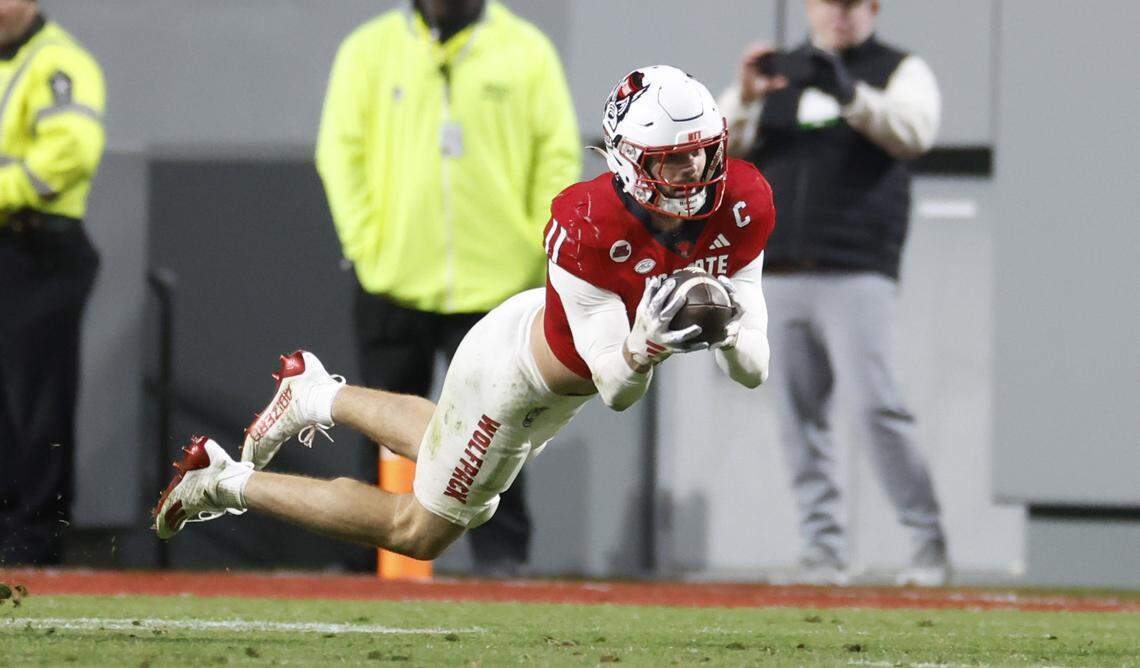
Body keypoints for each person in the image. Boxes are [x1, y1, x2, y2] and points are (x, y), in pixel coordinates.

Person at [153, 66, 776, 569]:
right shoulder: (588, 224)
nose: (692, 174)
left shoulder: (742, 202)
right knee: (417, 531)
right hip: (516, 382)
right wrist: (647, 347)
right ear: (629, 160)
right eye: (672, 160)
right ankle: (222, 482)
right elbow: (616, 387)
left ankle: (315, 394)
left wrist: (726, 333)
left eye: (701, 153)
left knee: (439, 444)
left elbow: (754, 368)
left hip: (547, 370)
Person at [312, 0, 581, 576]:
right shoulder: (368, 50)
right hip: (394, 279)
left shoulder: (526, 50)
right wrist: (368, 247)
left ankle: (503, 561)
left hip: (498, 283)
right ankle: (366, 562)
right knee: (378, 421)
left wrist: (536, 247)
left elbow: (557, 155)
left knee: (505, 428)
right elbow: (340, 152)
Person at [717, 0, 946, 585]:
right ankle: (823, 552)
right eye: (829, 4)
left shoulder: (898, 69)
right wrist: (745, 93)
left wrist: (851, 95)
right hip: (781, 271)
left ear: (871, 9)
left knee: (876, 407)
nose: (840, 16)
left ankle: (927, 546)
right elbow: (714, 154)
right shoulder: (779, 73)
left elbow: (915, 133)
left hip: (857, 267)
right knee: (799, 418)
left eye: (851, 5)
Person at [0, 0, 105, 565]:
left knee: (35, 405)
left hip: (37, 250)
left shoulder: (59, 61)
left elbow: (69, 154)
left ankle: (34, 543)